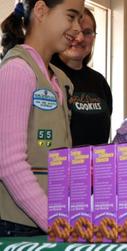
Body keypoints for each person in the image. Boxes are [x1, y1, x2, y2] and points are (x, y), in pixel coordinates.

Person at [0, 0, 83, 236]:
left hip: (52, 218)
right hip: (18, 225)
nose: (77, 28)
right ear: (41, 10)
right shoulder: (17, 71)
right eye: (71, 16)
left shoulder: (60, 79)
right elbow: (8, 163)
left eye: (80, 18)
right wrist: (53, 222)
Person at [51, 8, 112, 146]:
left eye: (87, 32)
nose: (80, 38)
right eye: (74, 31)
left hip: (97, 165)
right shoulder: (47, 75)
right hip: (56, 166)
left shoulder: (100, 82)